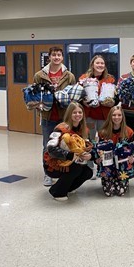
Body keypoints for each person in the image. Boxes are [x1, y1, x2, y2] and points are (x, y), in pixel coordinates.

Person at [33, 46, 76, 187]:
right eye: (53, 55)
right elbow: (34, 95)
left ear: (62, 57)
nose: (56, 57)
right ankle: (48, 173)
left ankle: (62, 170)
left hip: (64, 117)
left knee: (64, 145)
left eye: (59, 55)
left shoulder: (69, 76)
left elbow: (75, 96)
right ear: (49, 57)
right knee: (47, 146)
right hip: (47, 117)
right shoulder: (40, 75)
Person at [43, 102, 93, 201]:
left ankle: (68, 187)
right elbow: (50, 148)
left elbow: (90, 146)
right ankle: (57, 191)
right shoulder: (60, 128)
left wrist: (90, 155)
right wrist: (69, 155)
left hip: (75, 162)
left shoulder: (85, 130)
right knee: (76, 168)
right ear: (69, 114)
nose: (78, 115)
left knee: (88, 172)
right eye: (74, 112)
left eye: (80, 112)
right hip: (55, 164)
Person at [96, 105, 134, 196]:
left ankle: (121, 180)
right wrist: (97, 159)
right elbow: (97, 150)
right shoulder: (102, 132)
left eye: (119, 115)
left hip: (122, 166)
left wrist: (132, 158)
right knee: (109, 192)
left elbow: (133, 151)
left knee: (121, 192)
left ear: (123, 116)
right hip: (107, 166)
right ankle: (109, 180)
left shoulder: (129, 132)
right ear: (110, 116)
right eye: (114, 115)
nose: (116, 117)